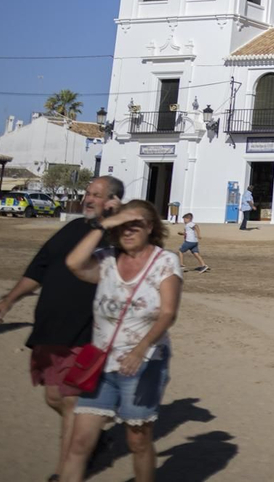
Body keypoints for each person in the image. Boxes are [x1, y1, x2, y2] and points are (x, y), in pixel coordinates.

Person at [0, 175, 124, 482]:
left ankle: (65, 473)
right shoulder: (71, 229)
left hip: (88, 332)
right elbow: (39, 268)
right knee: (54, 398)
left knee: (72, 401)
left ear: (113, 201)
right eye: (87, 193)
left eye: (97, 195)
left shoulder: (120, 237)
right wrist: (9, 300)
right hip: (51, 330)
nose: (88, 198)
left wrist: (116, 218)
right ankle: (93, 438)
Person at [59, 199, 183, 482]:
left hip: (144, 364)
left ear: (150, 227)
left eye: (136, 224)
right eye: (122, 226)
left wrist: (141, 350)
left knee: (137, 441)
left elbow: (168, 313)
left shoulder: (165, 261)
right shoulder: (105, 259)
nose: (128, 231)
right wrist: (102, 224)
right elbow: (73, 262)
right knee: (79, 442)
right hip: (100, 363)